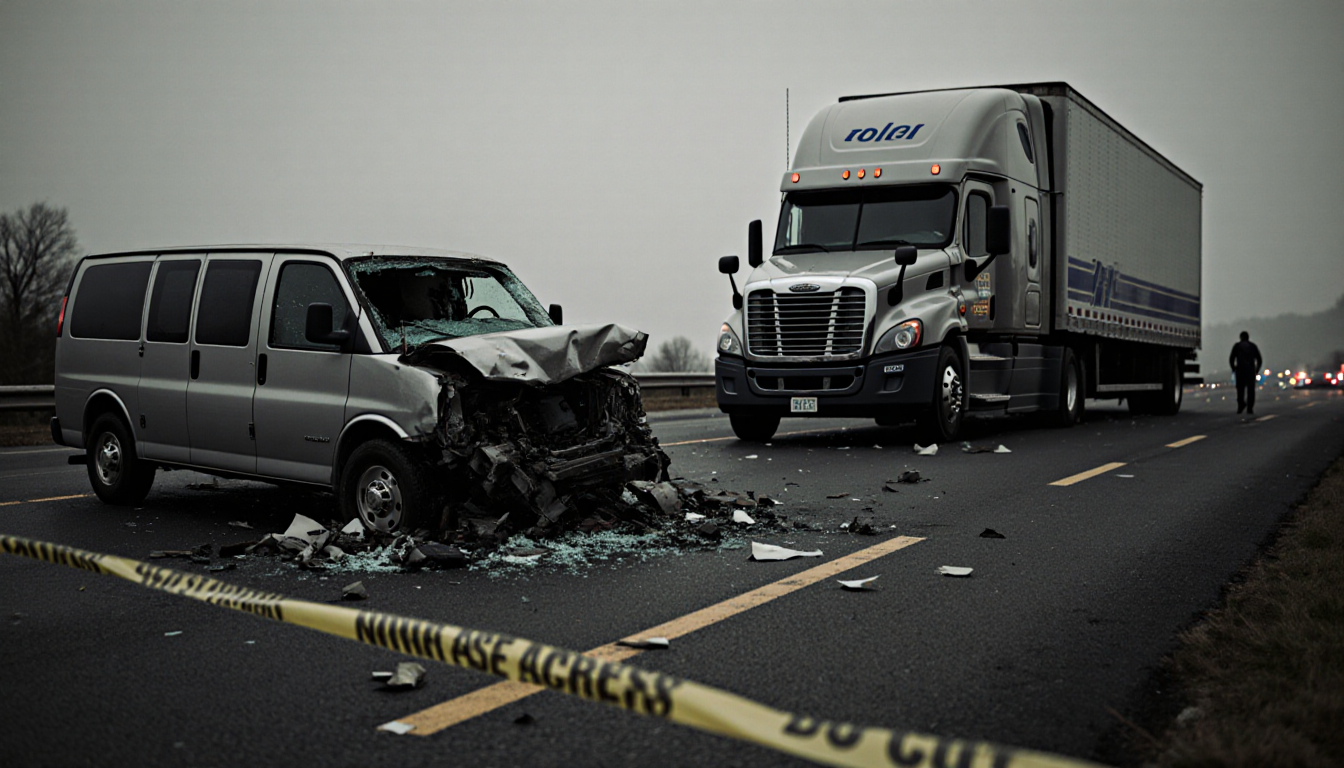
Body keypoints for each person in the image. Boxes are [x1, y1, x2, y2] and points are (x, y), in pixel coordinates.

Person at [1229, 330, 1263, 415]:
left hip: (1240, 370)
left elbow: (1231, 358)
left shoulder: (1237, 346)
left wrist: (1233, 368)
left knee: (1240, 390)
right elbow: (1259, 359)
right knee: (1251, 390)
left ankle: (1241, 405)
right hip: (1250, 370)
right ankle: (1249, 408)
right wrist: (1256, 370)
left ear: (1241, 337)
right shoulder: (1253, 346)